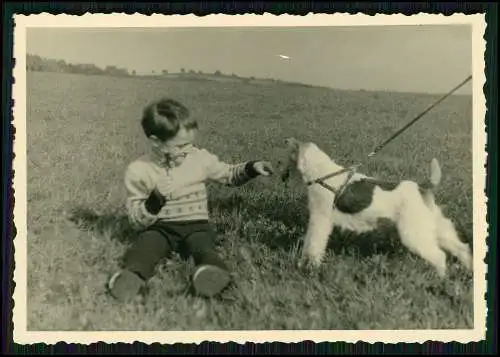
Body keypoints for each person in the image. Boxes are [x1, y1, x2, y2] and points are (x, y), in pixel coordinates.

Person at [107, 97, 274, 302]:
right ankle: (131, 278)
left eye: (191, 143)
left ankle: (212, 276)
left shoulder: (199, 158)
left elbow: (228, 175)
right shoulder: (139, 170)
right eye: (180, 146)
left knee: (204, 248)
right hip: (160, 228)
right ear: (156, 142)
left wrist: (251, 168)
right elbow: (135, 222)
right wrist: (155, 199)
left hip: (197, 226)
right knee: (144, 248)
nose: (188, 150)